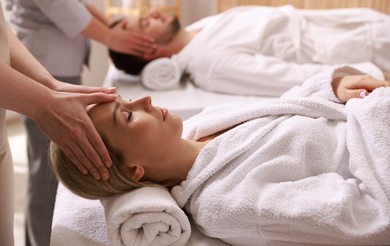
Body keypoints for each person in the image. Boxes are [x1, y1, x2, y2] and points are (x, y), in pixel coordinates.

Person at [51, 65, 390, 245]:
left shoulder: (204, 126)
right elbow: (368, 218)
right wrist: (373, 112)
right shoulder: (228, 202)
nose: (145, 101)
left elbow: (287, 106)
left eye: (127, 101)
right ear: (134, 170)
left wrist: (335, 87)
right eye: (127, 116)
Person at [0, 0, 155, 245]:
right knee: (44, 179)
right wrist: (43, 100)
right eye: (127, 115)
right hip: (42, 60)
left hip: (37, 72)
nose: (146, 101)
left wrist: (49, 85)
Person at [109, 6, 390, 96]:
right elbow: (287, 77)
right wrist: (368, 75)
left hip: (352, 24)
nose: (154, 13)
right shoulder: (209, 63)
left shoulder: (201, 29)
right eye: (145, 23)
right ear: (148, 51)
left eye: (145, 14)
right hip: (360, 50)